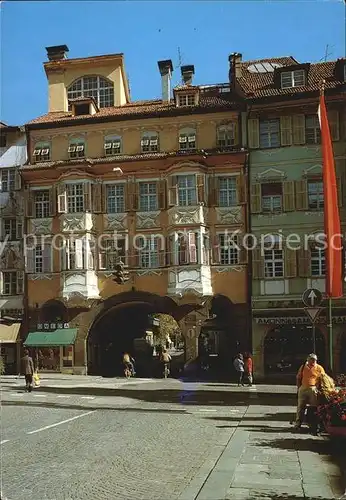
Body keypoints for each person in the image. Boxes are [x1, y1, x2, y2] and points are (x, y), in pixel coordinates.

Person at [293, 353, 325, 430]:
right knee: (300, 406)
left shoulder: (319, 368)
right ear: (308, 360)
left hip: (313, 388)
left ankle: (313, 423)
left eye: (315, 360)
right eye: (312, 359)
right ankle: (298, 423)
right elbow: (298, 377)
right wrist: (299, 388)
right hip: (303, 388)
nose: (314, 361)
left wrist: (320, 388)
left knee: (314, 407)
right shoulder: (303, 367)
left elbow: (324, 378)